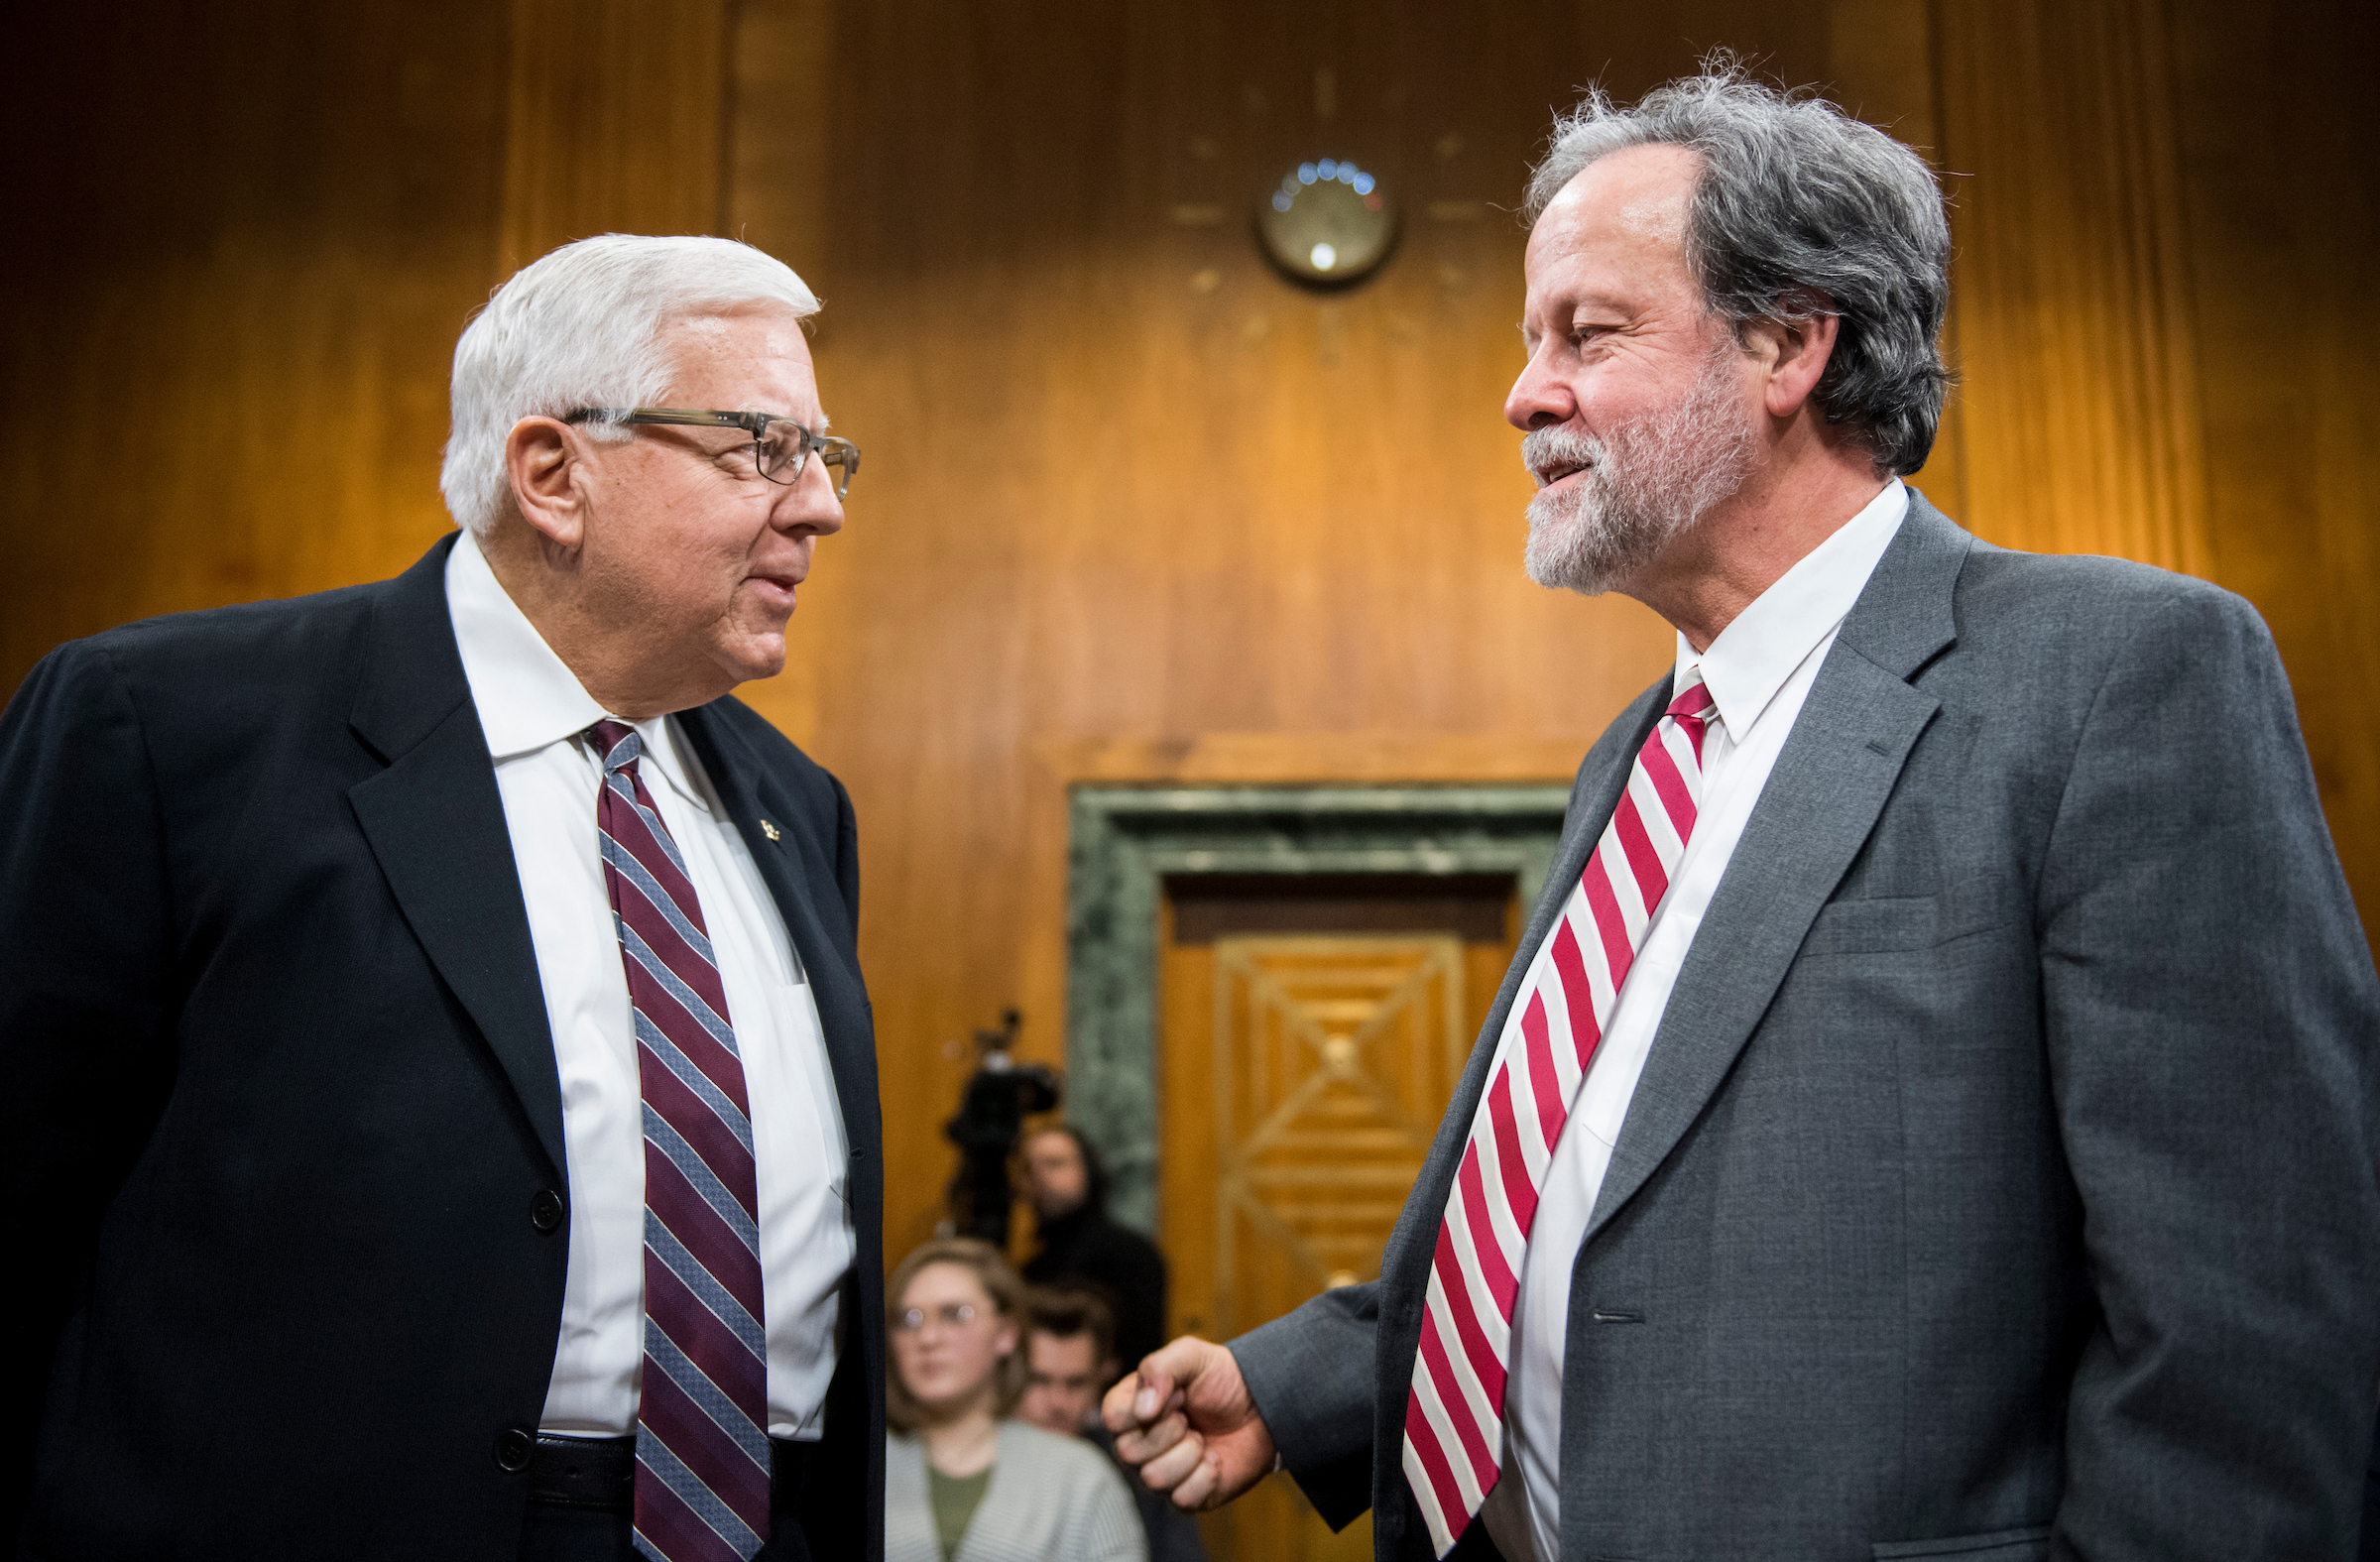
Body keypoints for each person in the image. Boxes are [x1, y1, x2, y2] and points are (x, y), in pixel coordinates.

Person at [1106, 63, 2380, 1562]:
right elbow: (1609, 1188)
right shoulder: (1633, 757)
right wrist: (1309, 1377)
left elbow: (2247, 1322)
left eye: (1589, 331)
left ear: (1786, 343)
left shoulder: (2119, 674)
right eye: (1531, 340)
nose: (1525, 394)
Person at [3, 234, 886, 1561]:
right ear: (554, 473)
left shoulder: (796, 802)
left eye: (825, 454)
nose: (819, 505)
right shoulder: (167, 729)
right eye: (763, 444)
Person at [885, 1242, 1143, 1562]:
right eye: (909, 1319)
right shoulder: (858, 1466)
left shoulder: (1081, 1476)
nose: (928, 1338)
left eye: (955, 1315)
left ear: (1006, 1332)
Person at [1020, 1287, 1208, 1562]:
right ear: (1008, 1374)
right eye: (1039, 1380)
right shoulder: (974, 1458)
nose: (1058, 1402)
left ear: (1104, 1375)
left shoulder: (1142, 1469)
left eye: (1076, 1383)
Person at [1019, 1126, 1168, 1371]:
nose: (1040, 1176)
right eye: (1029, 1168)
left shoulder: (1130, 1253)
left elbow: (1143, 1354)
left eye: (1055, 1164)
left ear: (1088, 1171)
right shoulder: (1032, 1266)